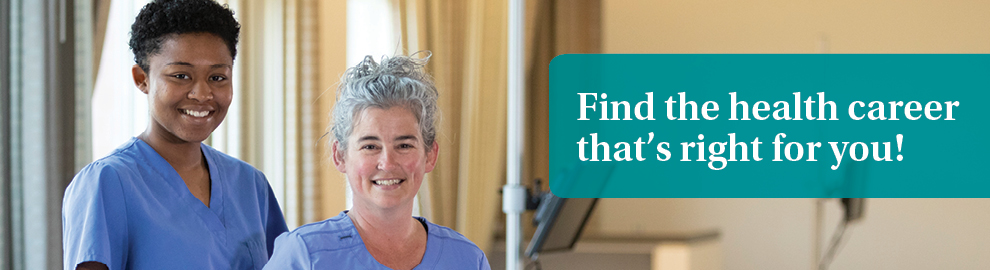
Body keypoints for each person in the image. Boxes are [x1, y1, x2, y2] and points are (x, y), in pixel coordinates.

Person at [62, 0, 288, 269]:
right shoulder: (107, 183)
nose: (202, 94)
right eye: (181, 76)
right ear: (141, 79)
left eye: (217, 78)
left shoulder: (251, 185)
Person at [263, 53, 491, 270]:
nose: (387, 163)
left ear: (430, 155)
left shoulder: (467, 259)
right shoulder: (305, 255)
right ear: (340, 156)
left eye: (404, 145)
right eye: (370, 146)